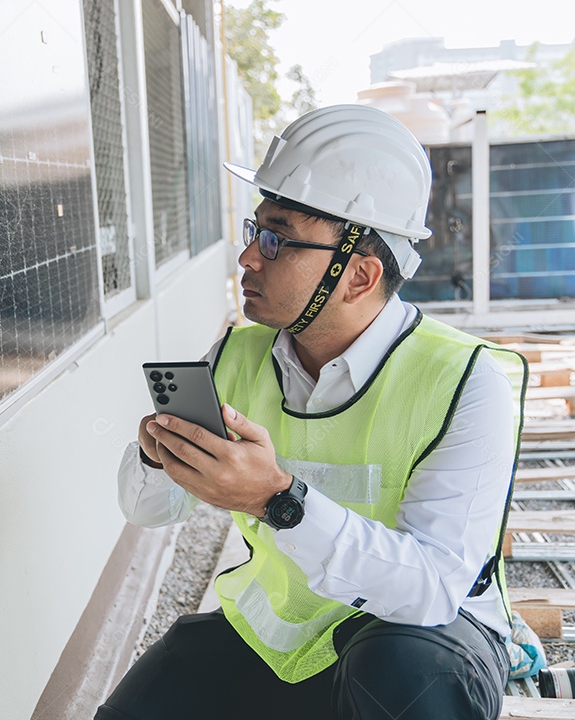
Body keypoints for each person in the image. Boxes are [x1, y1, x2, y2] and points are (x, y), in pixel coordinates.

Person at [95, 105, 527, 720]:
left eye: (276, 240)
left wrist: (276, 500)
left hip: (426, 638)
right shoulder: (234, 358)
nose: (248, 258)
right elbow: (149, 510)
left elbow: (429, 590)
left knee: (404, 672)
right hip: (287, 635)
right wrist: (157, 455)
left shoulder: (466, 382)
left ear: (359, 276)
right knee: (149, 700)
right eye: (255, 231)